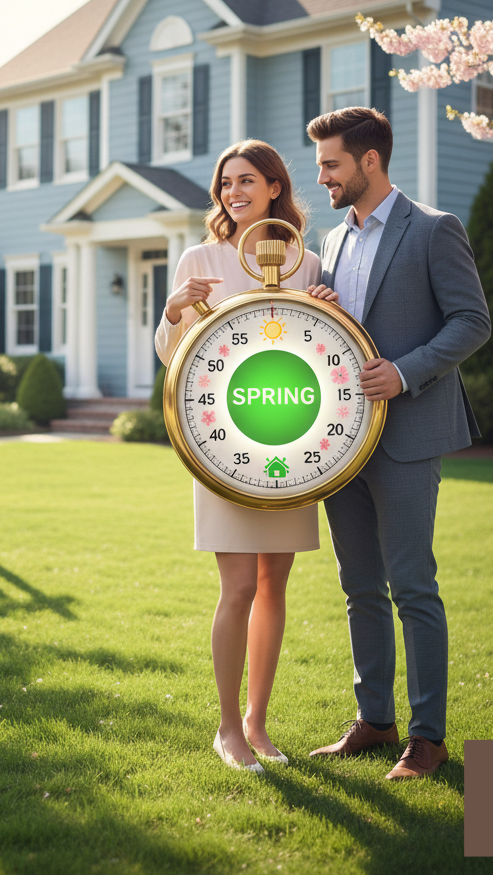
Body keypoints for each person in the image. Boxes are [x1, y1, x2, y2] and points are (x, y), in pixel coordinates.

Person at [306, 107, 490, 779]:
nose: (320, 175)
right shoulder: (336, 238)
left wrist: (406, 370)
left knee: (412, 585)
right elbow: (347, 335)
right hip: (343, 441)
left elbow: (473, 322)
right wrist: (324, 309)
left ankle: (428, 738)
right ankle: (374, 722)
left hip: (409, 434)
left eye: (330, 164)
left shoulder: (435, 230)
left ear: (369, 161)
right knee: (359, 586)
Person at [155, 139, 338, 774]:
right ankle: (227, 728)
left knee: (273, 584)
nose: (235, 192)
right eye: (226, 183)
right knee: (236, 587)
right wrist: (175, 310)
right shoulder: (198, 257)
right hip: (223, 444)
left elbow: (320, 351)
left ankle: (259, 723)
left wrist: (326, 312)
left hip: (288, 438)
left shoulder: (307, 263)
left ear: (273, 188)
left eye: (248, 181)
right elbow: (171, 355)